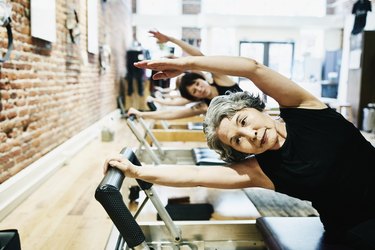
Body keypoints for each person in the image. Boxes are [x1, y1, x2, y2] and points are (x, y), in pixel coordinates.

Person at [104, 55, 375, 249]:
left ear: (256, 108)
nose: (250, 135)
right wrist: (137, 171)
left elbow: (253, 69)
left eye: (244, 122)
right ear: (237, 152)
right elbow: (194, 174)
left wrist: (187, 64)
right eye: (237, 140)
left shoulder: (305, 108)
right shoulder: (260, 171)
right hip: (357, 229)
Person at [128, 30, 242, 120]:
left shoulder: (220, 79)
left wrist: (171, 39)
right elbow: (172, 114)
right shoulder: (204, 106)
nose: (199, 89)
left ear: (201, 78)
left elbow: (199, 57)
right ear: (195, 97)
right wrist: (141, 114)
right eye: (194, 91)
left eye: (197, 83)